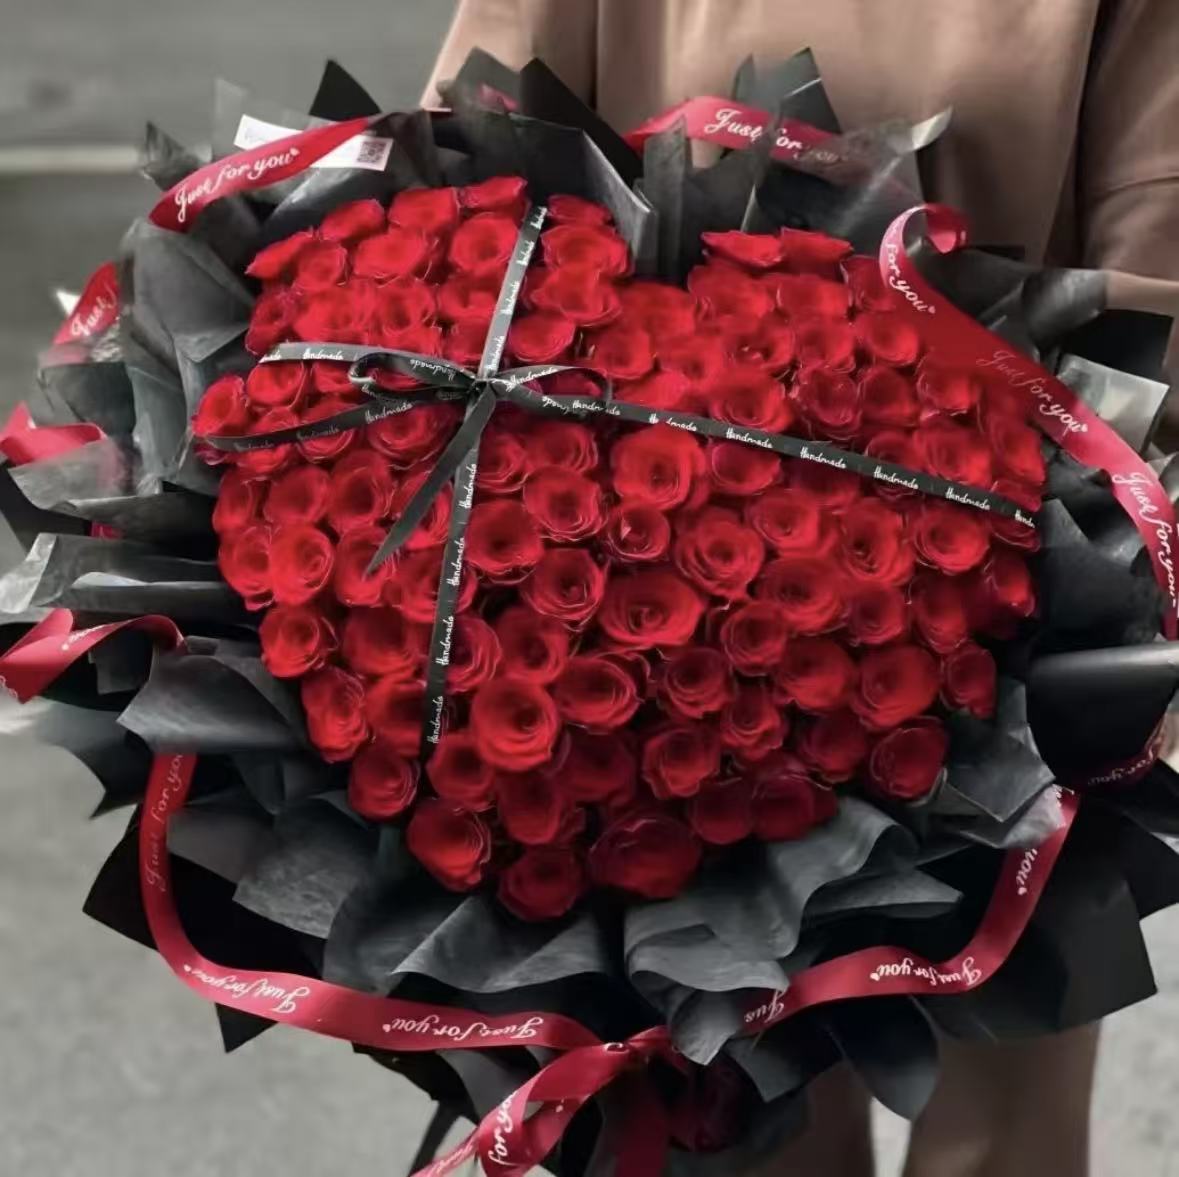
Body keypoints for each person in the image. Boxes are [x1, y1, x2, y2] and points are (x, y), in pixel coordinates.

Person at [422, 5, 1179, 1175]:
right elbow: (465, 163)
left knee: (992, 1103)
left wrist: (1126, 554)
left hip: (1017, 609)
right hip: (651, 606)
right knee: (738, 1101)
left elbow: (1155, 284)